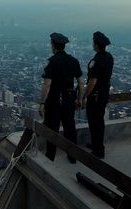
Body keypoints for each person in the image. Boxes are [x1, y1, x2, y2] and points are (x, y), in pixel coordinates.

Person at [38, 32, 84, 164]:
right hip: (69, 99)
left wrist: (42, 103)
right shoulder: (74, 61)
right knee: (70, 127)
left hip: (54, 100)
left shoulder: (52, 62)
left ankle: (50, 156)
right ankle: (72, 156)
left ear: (53, 45)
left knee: (52, 128)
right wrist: (79, 99)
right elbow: (81, 82)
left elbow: (47, 84)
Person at [82, 31, 113, 159]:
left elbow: (92, 81)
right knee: (99, 121)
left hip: (95, 96)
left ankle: (98, 150)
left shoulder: (96, 60)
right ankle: (96, 145)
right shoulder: (109, 57)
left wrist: (84, 95)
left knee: (94, 122)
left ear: (96, 45)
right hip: (104, 93)